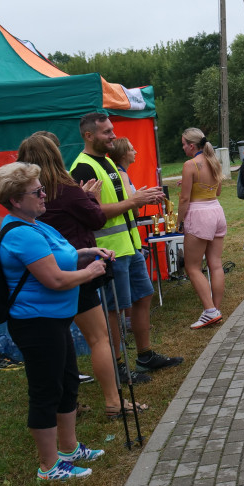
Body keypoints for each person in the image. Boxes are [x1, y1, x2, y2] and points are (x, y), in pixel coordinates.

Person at [18, 134, 147, 421]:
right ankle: (113, 401)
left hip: (40, 273)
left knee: (59, 344)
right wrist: (91, 197)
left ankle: (67, 405)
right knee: (99, 338)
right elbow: (96, 218)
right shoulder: (65, 189)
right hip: (76, 268)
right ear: (55, 155)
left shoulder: (24, 199)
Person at [0, 162, 112, 479]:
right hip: (37, 324)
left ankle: (69, 448)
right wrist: (89, 272)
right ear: (17, 200)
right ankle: (49, 466)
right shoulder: (21, 234)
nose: (44, 194)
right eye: (37, 192)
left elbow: (64, 254)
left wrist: (89, 251)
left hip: (56, 321)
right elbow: (55, 279)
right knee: (46, 390)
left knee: (67, 383)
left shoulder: (37, 224)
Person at [70, 113, 181, 381]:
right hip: (109, 251)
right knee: (113, 309)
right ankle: (118, 366)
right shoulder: (82, 168)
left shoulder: (107, 162)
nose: (113, 136)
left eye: (112, 130)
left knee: (143, 296)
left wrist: (138, 198)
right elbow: (90, 214)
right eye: (106, 132)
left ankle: (145, 355)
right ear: (88, 136)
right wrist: (134, 201)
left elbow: (116, 204)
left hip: (130, 246)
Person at [177, 128, 228, 329]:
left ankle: (209, 311)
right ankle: (215, 309)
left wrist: (179, 221)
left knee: (192, 267)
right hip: (216, 210)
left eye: (183, 144)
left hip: (199, 215)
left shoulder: (190, 165)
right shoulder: (214, 161)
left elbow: (184, 198)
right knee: (215, 264)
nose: (182, 148)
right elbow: (219, 190)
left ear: (191, 145)